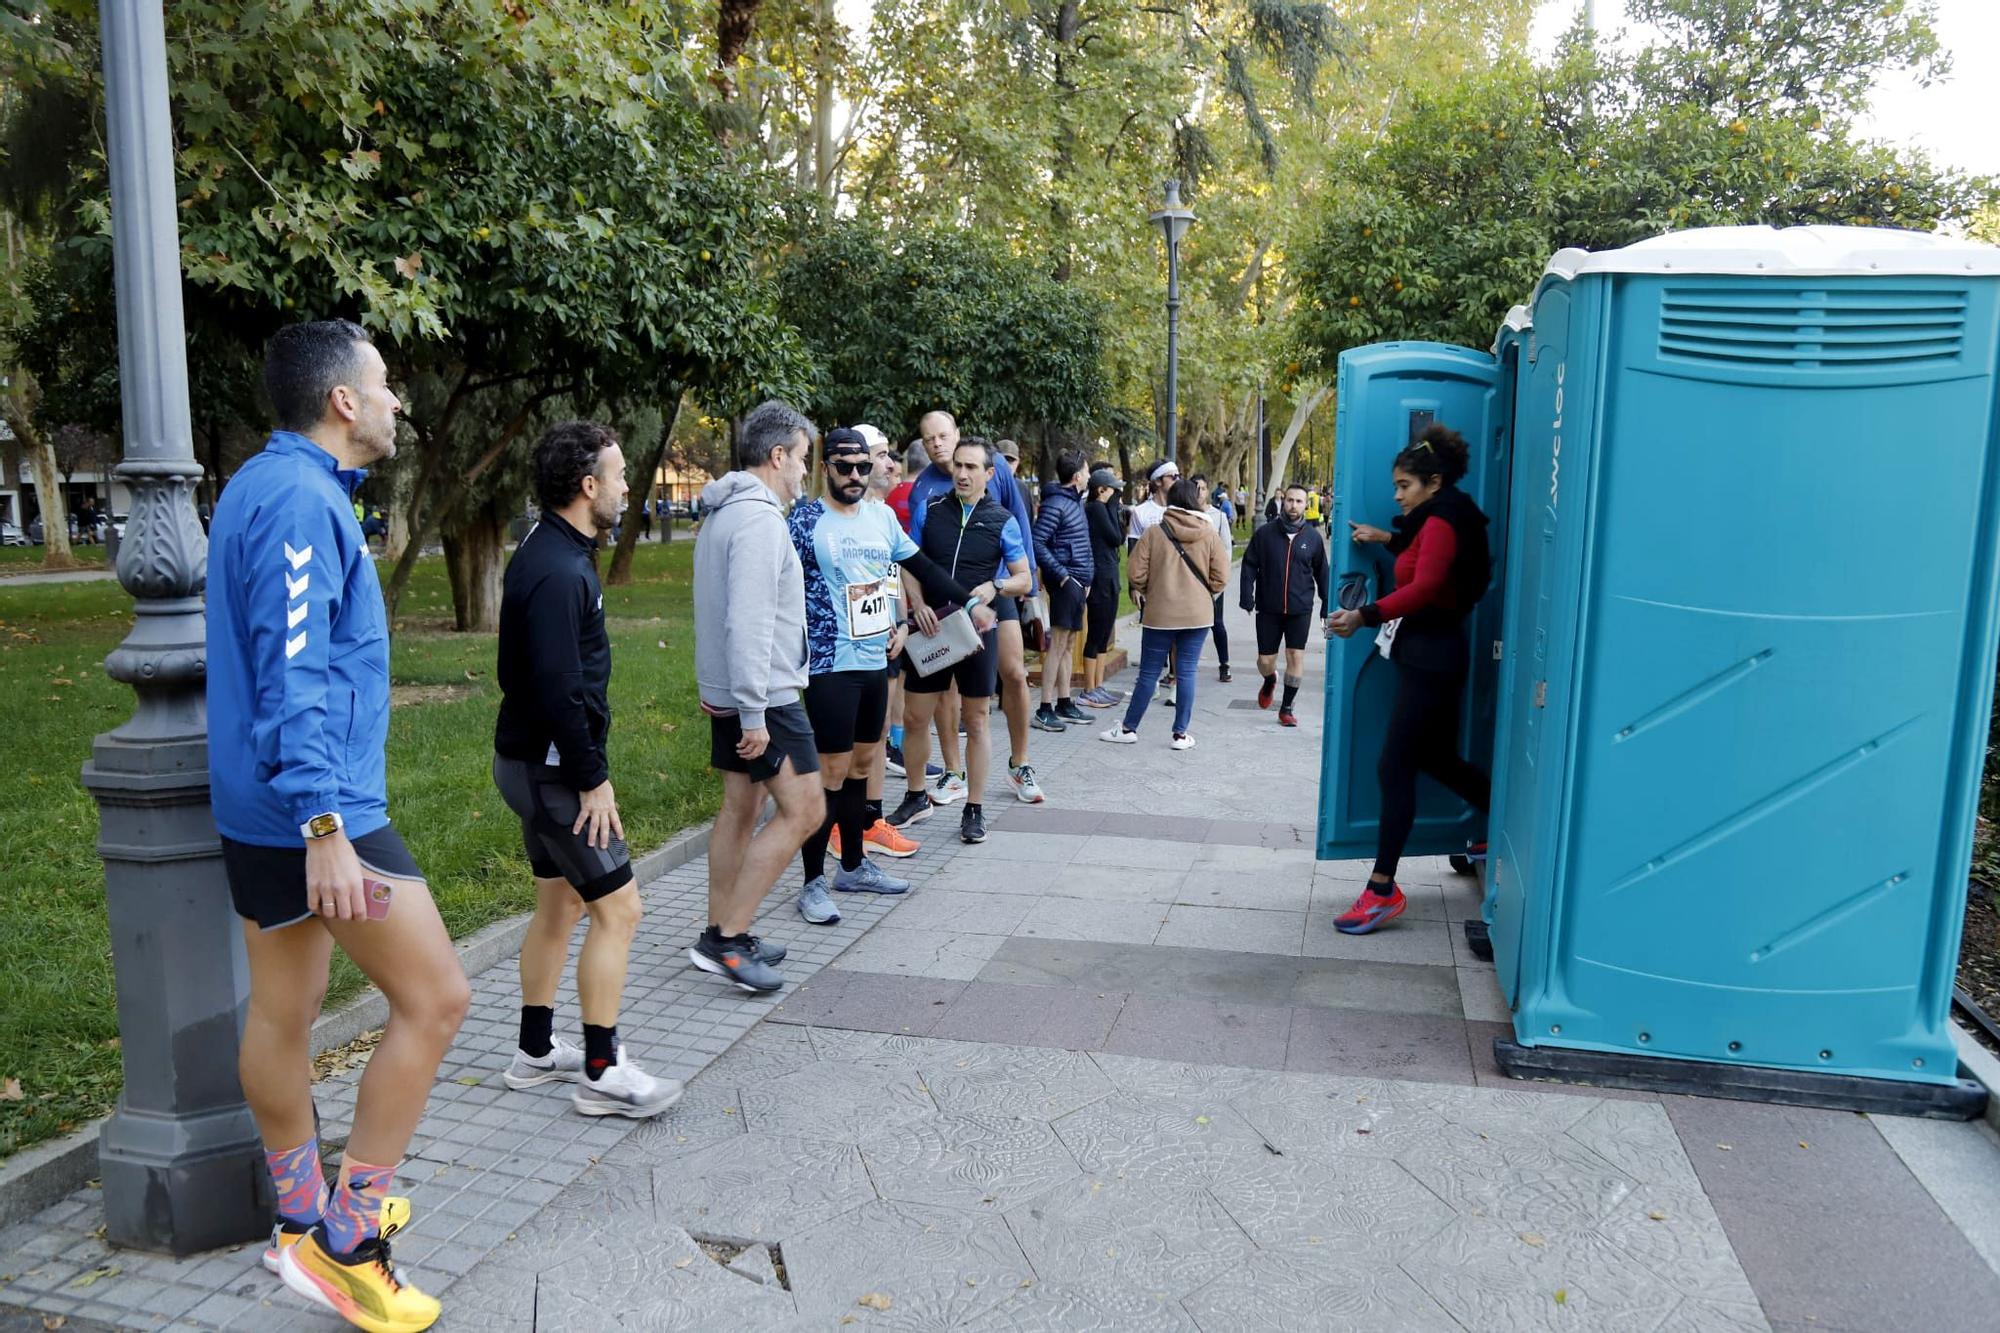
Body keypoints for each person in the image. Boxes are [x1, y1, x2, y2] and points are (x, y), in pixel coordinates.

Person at [210, 321, 468, 1331]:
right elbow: (292, 670)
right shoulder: (300, 500)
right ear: (343, 402)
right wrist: (323, 821)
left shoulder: (268, 487)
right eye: (388, 383)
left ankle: (296, 1217)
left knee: (283, 1009)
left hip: (264, 803)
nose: (399, 401)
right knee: (437, 996)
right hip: (313, 811)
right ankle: (349, 1241)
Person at [492, 422, 680, 1119]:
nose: (630, 485)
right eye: (620, 473)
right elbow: (558, 688)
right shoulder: (558, 568)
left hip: (530, 765)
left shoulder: (557, 550)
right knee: (619, 907)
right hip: (551, 771)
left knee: (561, 902)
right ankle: (603, 1069)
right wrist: (590, 778)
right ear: (588, 486)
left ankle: (535, 1050)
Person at [788, 428, 993, 924]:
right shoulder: (804, 522)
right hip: (830, 663)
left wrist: (963, 601)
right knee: (830, 773)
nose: (856, 475)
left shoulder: (881, 518)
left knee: (863, 764)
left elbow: (915, 566)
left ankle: (854, 866)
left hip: (877, 661)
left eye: (863, 466)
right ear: (825, 469)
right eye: (845, 467)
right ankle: (812, 882)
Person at [1326, 424, 1493, 934]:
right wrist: (1388, 537)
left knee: (1393, 765)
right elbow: (1427, 555)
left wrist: (1363, 616)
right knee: (1434, 757)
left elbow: (1424, 587)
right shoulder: (1442, 515)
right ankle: (1500, 825)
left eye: (1404, 485)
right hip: (1433, 653)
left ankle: (1382, 889)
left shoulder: (1441, 520)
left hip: (1431, 657)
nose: (1396, 494)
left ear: (1433, 481)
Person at [691, 400, 824, 992]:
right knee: (806, 810)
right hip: (763, 696)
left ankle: (721, 932)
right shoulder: (759, 520)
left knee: (741, 808)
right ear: (778, 456)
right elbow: (746, 622)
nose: (803, 473)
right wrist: (751, 710)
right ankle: (729, 941)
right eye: (801, 460)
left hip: (739, 692)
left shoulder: (726, 511)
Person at [897, 411, 1046, 808]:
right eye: (929, 439)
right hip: (936, 614)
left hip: (988, 608)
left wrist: (1004, 588)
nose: (937, 445)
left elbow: (1022, 560)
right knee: (929, 704)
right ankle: (948, 774)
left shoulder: (1002, 495)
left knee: (1011, 675)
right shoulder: (928, 497)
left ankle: (1018, 765)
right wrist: (917, 604)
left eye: (943, 436)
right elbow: (910, 557)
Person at [1099, 477, 1229, 751]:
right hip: (1198, 615)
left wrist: (1153, 590)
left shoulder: (1154, 533)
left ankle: (1128, 728)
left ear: (1170, 501)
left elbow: (1135, 573)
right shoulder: (1208, 533)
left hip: (1160, 615)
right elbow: (1221, 577)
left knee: (1148, 673)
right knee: (1187, 672)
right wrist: (1204, 594)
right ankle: (1180, 735)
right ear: (1195, 500)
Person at [1240, 483, 1329, 728]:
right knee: (1265, 660)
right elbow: (1248, 564)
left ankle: (1287, 708)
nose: (1293, 505)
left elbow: (1323, 572)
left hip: (1300, 608)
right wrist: (1247, 595)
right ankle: (1270, 680)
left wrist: (1326, 605)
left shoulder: (1313, 538)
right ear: (1283, 501)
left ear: (1305, 505)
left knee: (1295, 655)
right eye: (1290, 500)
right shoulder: (1265, 533)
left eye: (1299, 501)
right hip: (1269, 607)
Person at [1031, 449, 1093, 731]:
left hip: (1079, 582)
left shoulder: (1074, 502)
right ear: (1078, 476)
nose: (1090, 476)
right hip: (1068, 582)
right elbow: (1037, 541)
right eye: (1088, 471)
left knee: (1068, 644)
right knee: (1057, 645)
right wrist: (1063, 576)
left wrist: (1085, 579)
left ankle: (1065, 702)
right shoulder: (1056, 503)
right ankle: (1044, 708)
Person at [1076, 466, 1126, 708]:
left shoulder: (1103, 508)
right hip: (1100, 577)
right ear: (1100, 490)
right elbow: (1116, 537)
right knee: (1096, 633)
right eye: (1113, 491)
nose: (1116, 495)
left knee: (1105, 633)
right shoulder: (1096, 508)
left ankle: (1098, 685)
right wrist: (1114, 508)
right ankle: (1089, 688)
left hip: (1109, 574)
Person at [1191, 474, 1233, 684]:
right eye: (1195, 487)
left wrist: (1220, 577)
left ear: (1209, 491)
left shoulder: (1218, 516)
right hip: (1190, 580)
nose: (1199, 492)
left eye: (1203, 488)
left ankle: (1224, 664)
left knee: (1217, 623)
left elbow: (1226, 548)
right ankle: (1178, 669)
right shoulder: (1185, 515)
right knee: (1187, 624)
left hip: (1213, 579)